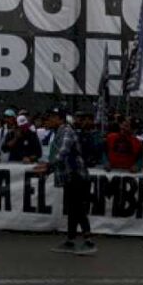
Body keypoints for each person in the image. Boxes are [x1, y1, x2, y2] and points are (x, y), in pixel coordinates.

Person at [34, 107, 95, 256]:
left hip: (77, 176)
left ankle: (88, 241)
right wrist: (48, 170)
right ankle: (70, 241)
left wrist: (48, 166)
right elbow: (60, 160)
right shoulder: (58, 133)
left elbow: (63, 152)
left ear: (59, 119)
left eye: (51, 117)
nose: (48, 121)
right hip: (69, 176)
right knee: (72, 209)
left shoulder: (66, 131)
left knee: (78, 209)